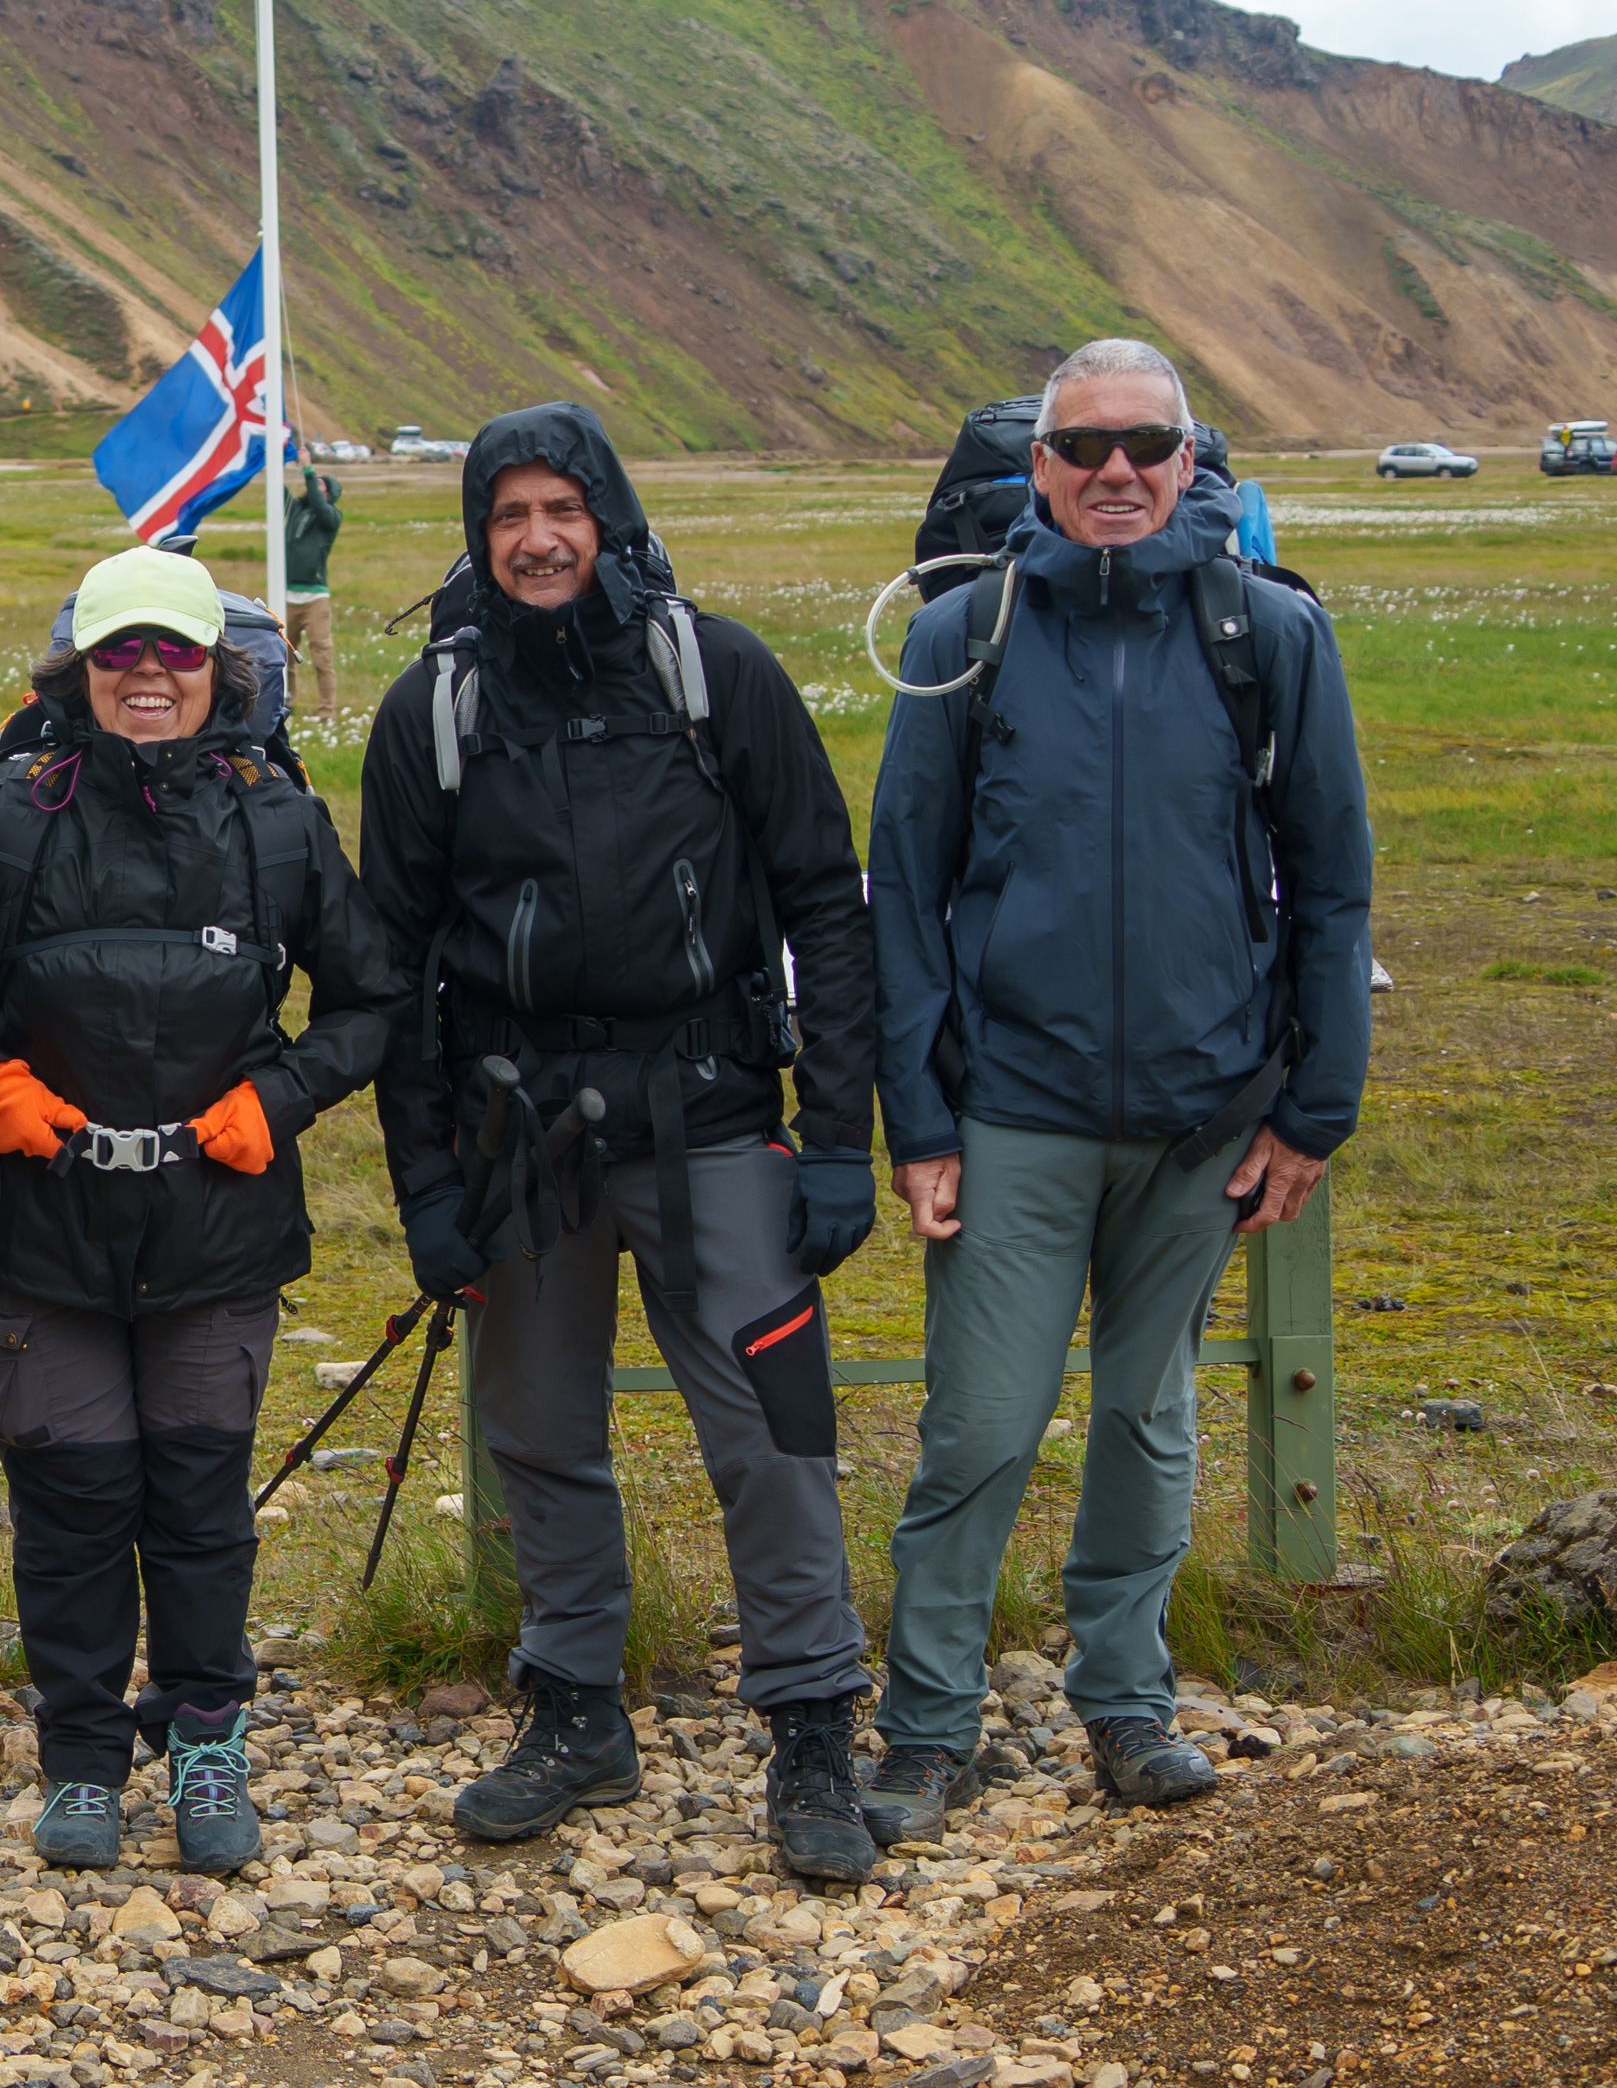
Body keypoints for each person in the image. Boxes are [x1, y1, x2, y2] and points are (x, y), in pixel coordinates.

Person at [357, 404, 883, 1885]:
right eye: (510, 514)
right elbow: (389, 969)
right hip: (517, 1135)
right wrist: (427, 1192)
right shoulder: (433, 714)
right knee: (536, 1431)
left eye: (563, 510)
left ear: (611, 518)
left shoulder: (719, 677)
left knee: (770, 1436)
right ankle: (577, 1709)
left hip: (711, 1109)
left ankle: (811, 1728)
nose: (538, 539)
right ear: (479, 535)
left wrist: (838, 1137)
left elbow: (827, 908)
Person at [863, 338, 1371, 1844]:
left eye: (1147, 447)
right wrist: (922, 1120)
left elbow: (1334, 887)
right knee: (982, 1428)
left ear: (1191, 455)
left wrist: (1313, 1109)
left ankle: (1127, 1702)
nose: (1116, 475)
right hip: (1014, 1105)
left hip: (1207, 1115)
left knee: (1150, 1419)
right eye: (1083, 450)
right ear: (1037, 467)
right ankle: (929, 1724)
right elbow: (904, 888)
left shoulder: (1264, 633)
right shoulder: (973, 632)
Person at [0, 546, 404, 1873]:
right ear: (79, 670)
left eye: (174, 651)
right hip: (42, 1233)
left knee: (206, 1509)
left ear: (219, 671)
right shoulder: (8, 819)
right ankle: (86, 1759)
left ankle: (209, 1741)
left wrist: (280, 1098)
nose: (148, 675)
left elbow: (376, 998)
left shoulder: (280, 826)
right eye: (120, 653)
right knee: (74, 1506)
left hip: (217, 1229)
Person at [282, 464, 343, 714]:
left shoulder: (330, 517)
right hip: (287, 596)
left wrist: (308, 470)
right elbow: (279, 495)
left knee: (321, 656)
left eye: (320, 484)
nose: (312, 487)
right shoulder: (295, 509)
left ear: (329, 494)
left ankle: (326, 710)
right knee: (284, 655)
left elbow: (319, 504)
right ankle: (287, 702)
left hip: (315, 597)